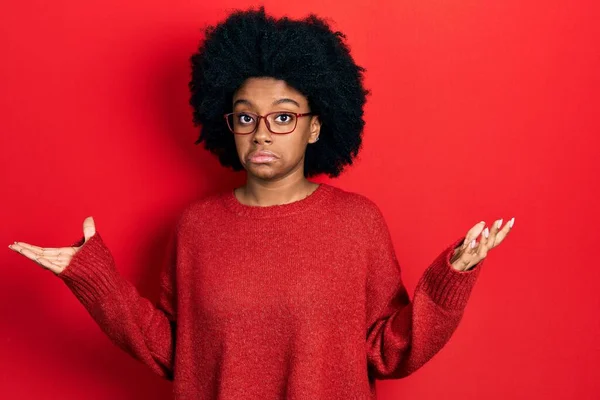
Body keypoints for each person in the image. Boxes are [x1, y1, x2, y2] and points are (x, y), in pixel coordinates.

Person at [8, 6, 515, 400]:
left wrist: (451, 277)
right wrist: (93, 278)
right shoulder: (197, 226)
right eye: (246, 117)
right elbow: (175, 352)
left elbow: (388, 350)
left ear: (316, 126)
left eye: (284, 116)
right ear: (227, 125)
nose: (262, 133)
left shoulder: (357, 223)